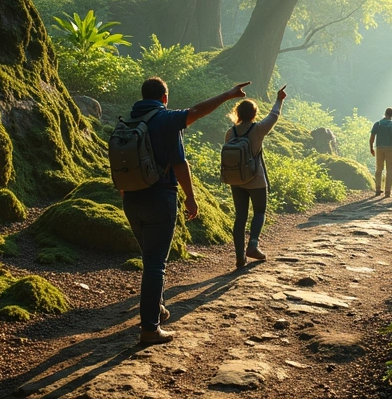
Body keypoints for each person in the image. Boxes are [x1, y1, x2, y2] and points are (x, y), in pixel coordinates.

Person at [123, 76, 250, 345]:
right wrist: (191, 198)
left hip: (131, 198)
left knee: (150, 259)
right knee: (156, 264)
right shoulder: (166, 119)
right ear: (165, 98)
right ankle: (149, 328)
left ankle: (156, 310)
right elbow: (183, 151)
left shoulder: (130, 121)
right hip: (160, 197)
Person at [226, 85, 288, 269]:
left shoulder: (231, 132)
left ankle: (239, 257)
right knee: (259, 211)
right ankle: (253, 245)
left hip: (236, 179)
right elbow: (274, 116)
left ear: (237, 113)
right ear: (254, 113)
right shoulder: (258, 129)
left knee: (240, 216)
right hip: (256, 179)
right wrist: (279, 99)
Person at [369, 108, 392, 196]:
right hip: (390, 148)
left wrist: (371, 148)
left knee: (379, 169)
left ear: (385, 113)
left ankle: (378, 188)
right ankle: (387, 191)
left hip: (379, 148)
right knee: (389, 170)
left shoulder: (377, 124)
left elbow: (372, 138)